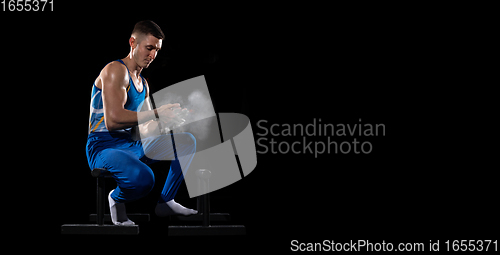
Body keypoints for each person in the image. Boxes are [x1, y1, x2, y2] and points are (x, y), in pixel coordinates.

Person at [86, 20, 198, 225]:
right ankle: (115, 198)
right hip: (103, 147)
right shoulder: (115, 70)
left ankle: (166, 200)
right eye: (149, 48)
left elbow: (145, 128)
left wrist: (167, 121)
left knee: (185, 141)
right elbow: (113, 120)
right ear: (132, 42)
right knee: (145, 179)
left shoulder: (143, 83)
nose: (153, 55)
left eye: (156, 49)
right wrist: (157, 113)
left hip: (129, 145)